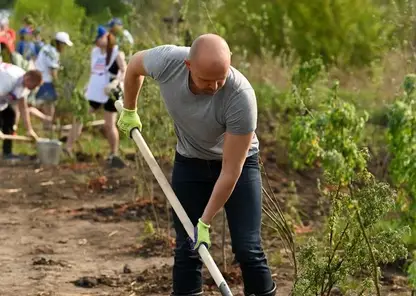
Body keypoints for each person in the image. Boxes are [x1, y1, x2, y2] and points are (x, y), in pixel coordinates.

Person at [117, 34, 277, 296]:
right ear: (189, 66)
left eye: (220, 79)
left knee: (248, 248)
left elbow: (230, 170)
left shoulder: (241, 96)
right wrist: (130, 110)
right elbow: (134, 65)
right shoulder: (168, 62)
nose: (214, 86)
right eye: (206, 80)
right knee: (187, 248)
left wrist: (204, 222)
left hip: (238, 166)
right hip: (190, 162)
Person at [65, 26, 126, 168]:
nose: (97, 43)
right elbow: (94, 72)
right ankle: (67, 147)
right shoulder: (95, 53)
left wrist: (116, 82)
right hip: (95, 91)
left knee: (109, 124)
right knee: (80, 117)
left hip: (110, 91)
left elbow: (124, 70)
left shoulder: (117, 53)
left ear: (105, 37)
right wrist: (87, 85)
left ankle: (114, 153)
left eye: (98, 39)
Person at [0, 62, 41, 160]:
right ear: (28, 78)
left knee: (10, 116)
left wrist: (29, 129)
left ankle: (7, 153)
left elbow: (23, 108)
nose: (33, 89)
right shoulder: (9, 78)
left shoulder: (24, 84)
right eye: (33, 85)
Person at [35, 31, 73, 130]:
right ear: (59, 43)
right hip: (46, 80)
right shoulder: (52, 52)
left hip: (41, 77)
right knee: (50, 103)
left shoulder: (47, 48)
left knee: (47, 103)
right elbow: (53, 71)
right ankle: (48, 125)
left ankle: (47, 124)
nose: (64, 47)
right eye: (64, 45)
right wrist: (57, 86)